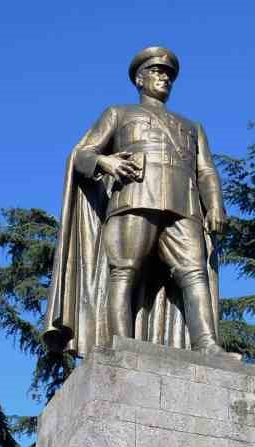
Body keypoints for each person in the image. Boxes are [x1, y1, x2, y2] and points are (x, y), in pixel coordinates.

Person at [43, 46, 231, 360]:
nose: (164, 78)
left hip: (184, 207)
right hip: (134, 200)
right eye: (156, 72)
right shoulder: (118, 113)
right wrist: (106, 163)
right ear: (140, 79)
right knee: (124, 271)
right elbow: (81, 155)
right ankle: (121, 342)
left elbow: (206, 171)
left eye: (168, 74)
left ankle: (207, 345)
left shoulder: (192, 126)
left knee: (195, 274)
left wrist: (215, 205)